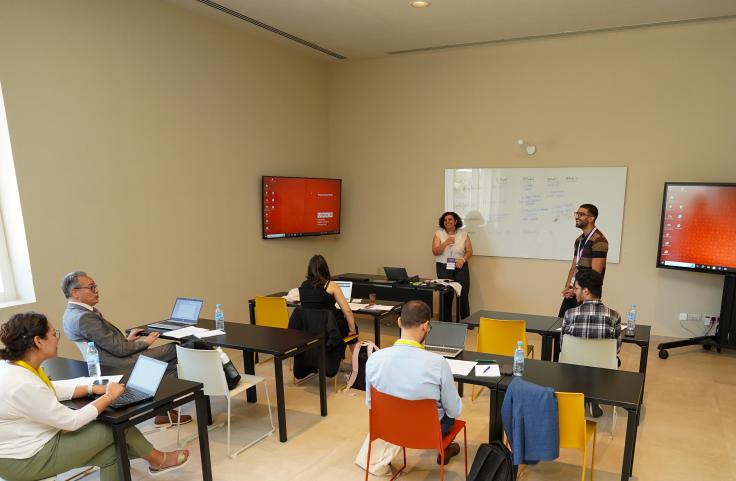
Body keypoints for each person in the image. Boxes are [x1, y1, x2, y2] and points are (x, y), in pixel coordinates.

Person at [0, 312, 190, 481]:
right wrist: (108, 396)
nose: (57, 338)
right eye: (53, 334)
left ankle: (156, 458)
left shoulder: (14, 368)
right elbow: (71, 421)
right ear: (38, 341)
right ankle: (159, 459)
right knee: (116, 426)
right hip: (27, 459)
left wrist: (93, 388)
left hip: (22, 450)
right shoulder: (23, 383)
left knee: (112, 454)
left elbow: (49, 389)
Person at [61, 271, 190, 426]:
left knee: (167, 366)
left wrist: (128, 340)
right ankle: (165, 409)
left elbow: (104, 343)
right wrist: (146, 342)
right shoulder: (84, 317)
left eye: (95, 286)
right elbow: (119, 350)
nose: (96, 290)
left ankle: (164, 411)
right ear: (75, 292)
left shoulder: (71, 313)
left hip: (110, 358)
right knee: (176, 350)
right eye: (91, 287)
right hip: (118, 363)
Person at [365, 301, 463, 465]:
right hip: (428, 432)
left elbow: (370, 404)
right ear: (425, 326)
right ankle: (444, 448)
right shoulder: (438, 363)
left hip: (388, 428)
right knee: (450, 409)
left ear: (398, 322)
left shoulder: (374, 359)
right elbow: (455, 410)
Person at [560, 269, 621, 417]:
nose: (574, 291)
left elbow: (563, 346)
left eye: (576, 288)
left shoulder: (569, 314)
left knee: (573, 359)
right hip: (602, 370)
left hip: (573, 368)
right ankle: (593, 397)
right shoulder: (614, 316)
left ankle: (579, 398)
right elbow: (616, 349)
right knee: (612, 360)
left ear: (586, 291)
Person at [558, 204, 608, 318]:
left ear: (591, 218)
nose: (577, 217)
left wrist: (577, 291)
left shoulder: (599, 241)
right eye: (577, 214)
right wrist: (567, 288)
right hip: (574, 291)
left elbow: (595, 275)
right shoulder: (579, 240)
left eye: (581, 214)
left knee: (580, 331)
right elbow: (573, 267)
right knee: (560, 326)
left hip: (587, 294)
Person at [299, 255, 358, 346]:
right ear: (325, 269)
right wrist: (352, 329)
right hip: (330, 327)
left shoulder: (303, 286)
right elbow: (347, 311)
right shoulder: (331, 285)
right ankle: (354, 358)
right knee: (351, 327)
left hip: (309, 327)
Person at [432, 211, 473, 319]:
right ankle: (446, 322)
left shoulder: (463, 234)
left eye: (450, 219)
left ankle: (466, 322)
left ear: (455, 221)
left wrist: (463, 260)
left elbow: (469, 251)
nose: (447, 222)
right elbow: (435, 252)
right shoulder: (439, 234)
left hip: (460, 267)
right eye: (445, 220)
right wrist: (445, 243)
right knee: (446, 295)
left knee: (463, 295)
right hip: (443, 268)